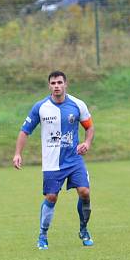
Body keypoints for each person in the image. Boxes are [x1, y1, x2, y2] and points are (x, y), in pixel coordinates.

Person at [13, 71, 95, 250]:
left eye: (59, 82)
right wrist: (18, 153)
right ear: (49, 86)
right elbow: (25, 131)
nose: (56, 86)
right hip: (52, 162)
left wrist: (87, 143)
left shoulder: (77, 104)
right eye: (53, 83)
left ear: (65, 84)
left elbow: (89, 126)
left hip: (74, 159)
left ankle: (84, 229)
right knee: (51, 197)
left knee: (85, 192)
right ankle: (43, 235)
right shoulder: (40, 107)